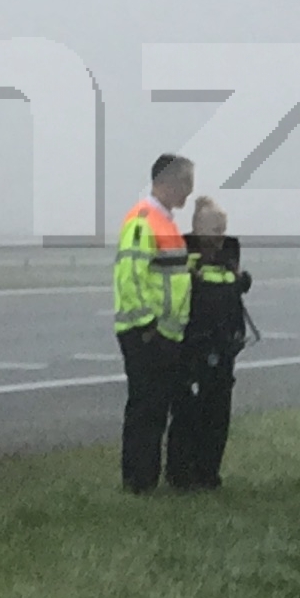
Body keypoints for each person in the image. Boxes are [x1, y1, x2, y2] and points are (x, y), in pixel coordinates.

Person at [111, 154, 197, 494]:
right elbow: (130, 277)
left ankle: (153, 477)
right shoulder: (144, 220)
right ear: (168, 182)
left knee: (161, 407)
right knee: (146, 409)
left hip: (165, 333)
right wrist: (147, 326)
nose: (189, 192)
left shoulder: (165, 221)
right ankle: (138, 481)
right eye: (186, 183)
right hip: (147, 333)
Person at [164, 199, 250, 488]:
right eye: (212, 228)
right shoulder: (183, 253)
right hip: (191, 346)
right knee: (187, 414)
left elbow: (233, 296)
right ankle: (180, 475)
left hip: (224, 346)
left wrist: (241, 283)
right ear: (197, 227)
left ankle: (208, 473)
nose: (217, 234)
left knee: (217, 415)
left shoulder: (230, 255)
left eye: (221, 228)